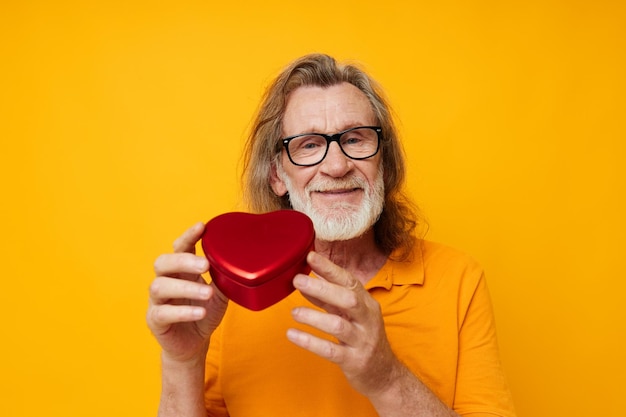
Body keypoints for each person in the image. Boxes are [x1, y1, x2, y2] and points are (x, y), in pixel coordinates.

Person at [147, 53, 516, 417]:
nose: (337, 166)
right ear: (277, 175)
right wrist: (183, 360)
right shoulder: (229, 294)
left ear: (383, 162)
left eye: (355, 139)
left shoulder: (457, 279)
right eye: (309, 145)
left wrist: (386, 377)